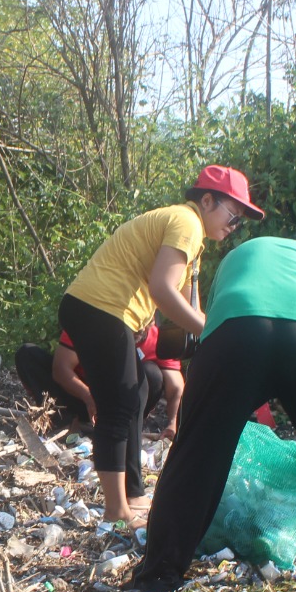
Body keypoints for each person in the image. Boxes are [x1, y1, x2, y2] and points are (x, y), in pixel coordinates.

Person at [132, 235, 296, 592]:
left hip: (235, 335)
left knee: (195, 454)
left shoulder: (241, 253)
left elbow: (217, 324)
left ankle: (159, 574)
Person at [58, 165, 262, 524]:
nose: (234, 228)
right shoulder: (187, 222)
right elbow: (162, 291)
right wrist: (213, 330)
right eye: (233, 216)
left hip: (107, 312)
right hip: (100, 307)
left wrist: (211, 338)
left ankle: (132, 495)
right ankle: (115, 509)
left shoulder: (193, 242)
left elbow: (187, 306)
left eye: (240, 222)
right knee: (119, 403)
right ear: (208, 200)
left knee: (136, 391)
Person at [14, 324, 181, 430]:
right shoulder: (87, 322)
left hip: (120, 403)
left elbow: (176, 387)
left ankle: (128, 426)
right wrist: (88, 398)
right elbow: (61, 370)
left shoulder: (157, 339)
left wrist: (173, 423)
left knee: (151, 373)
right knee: (27, 354)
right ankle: (63, 420)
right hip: (79, 393)